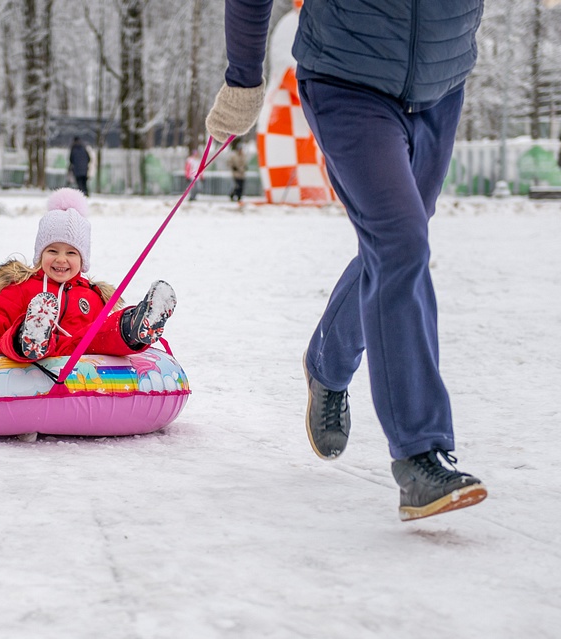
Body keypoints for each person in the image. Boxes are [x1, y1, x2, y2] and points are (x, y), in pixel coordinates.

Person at [206, 0, 488, 521]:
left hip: (440, 87)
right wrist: (244, 78)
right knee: (402, 243)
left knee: (395, 245)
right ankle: (420, 454)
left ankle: (327, 364)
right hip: (346, 78)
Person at [0, 188, 176, 363]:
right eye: (52, 251)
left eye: (71, 253)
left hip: (77, 353)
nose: (61, 259)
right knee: (14, 333)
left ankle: (135, 325)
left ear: (82, 260)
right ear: (40, 255)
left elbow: (99, 335)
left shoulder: (92, 296)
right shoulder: (23, 287)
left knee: (101, 331)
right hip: (27, 354)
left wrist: (113, 329)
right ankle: (33, 332)